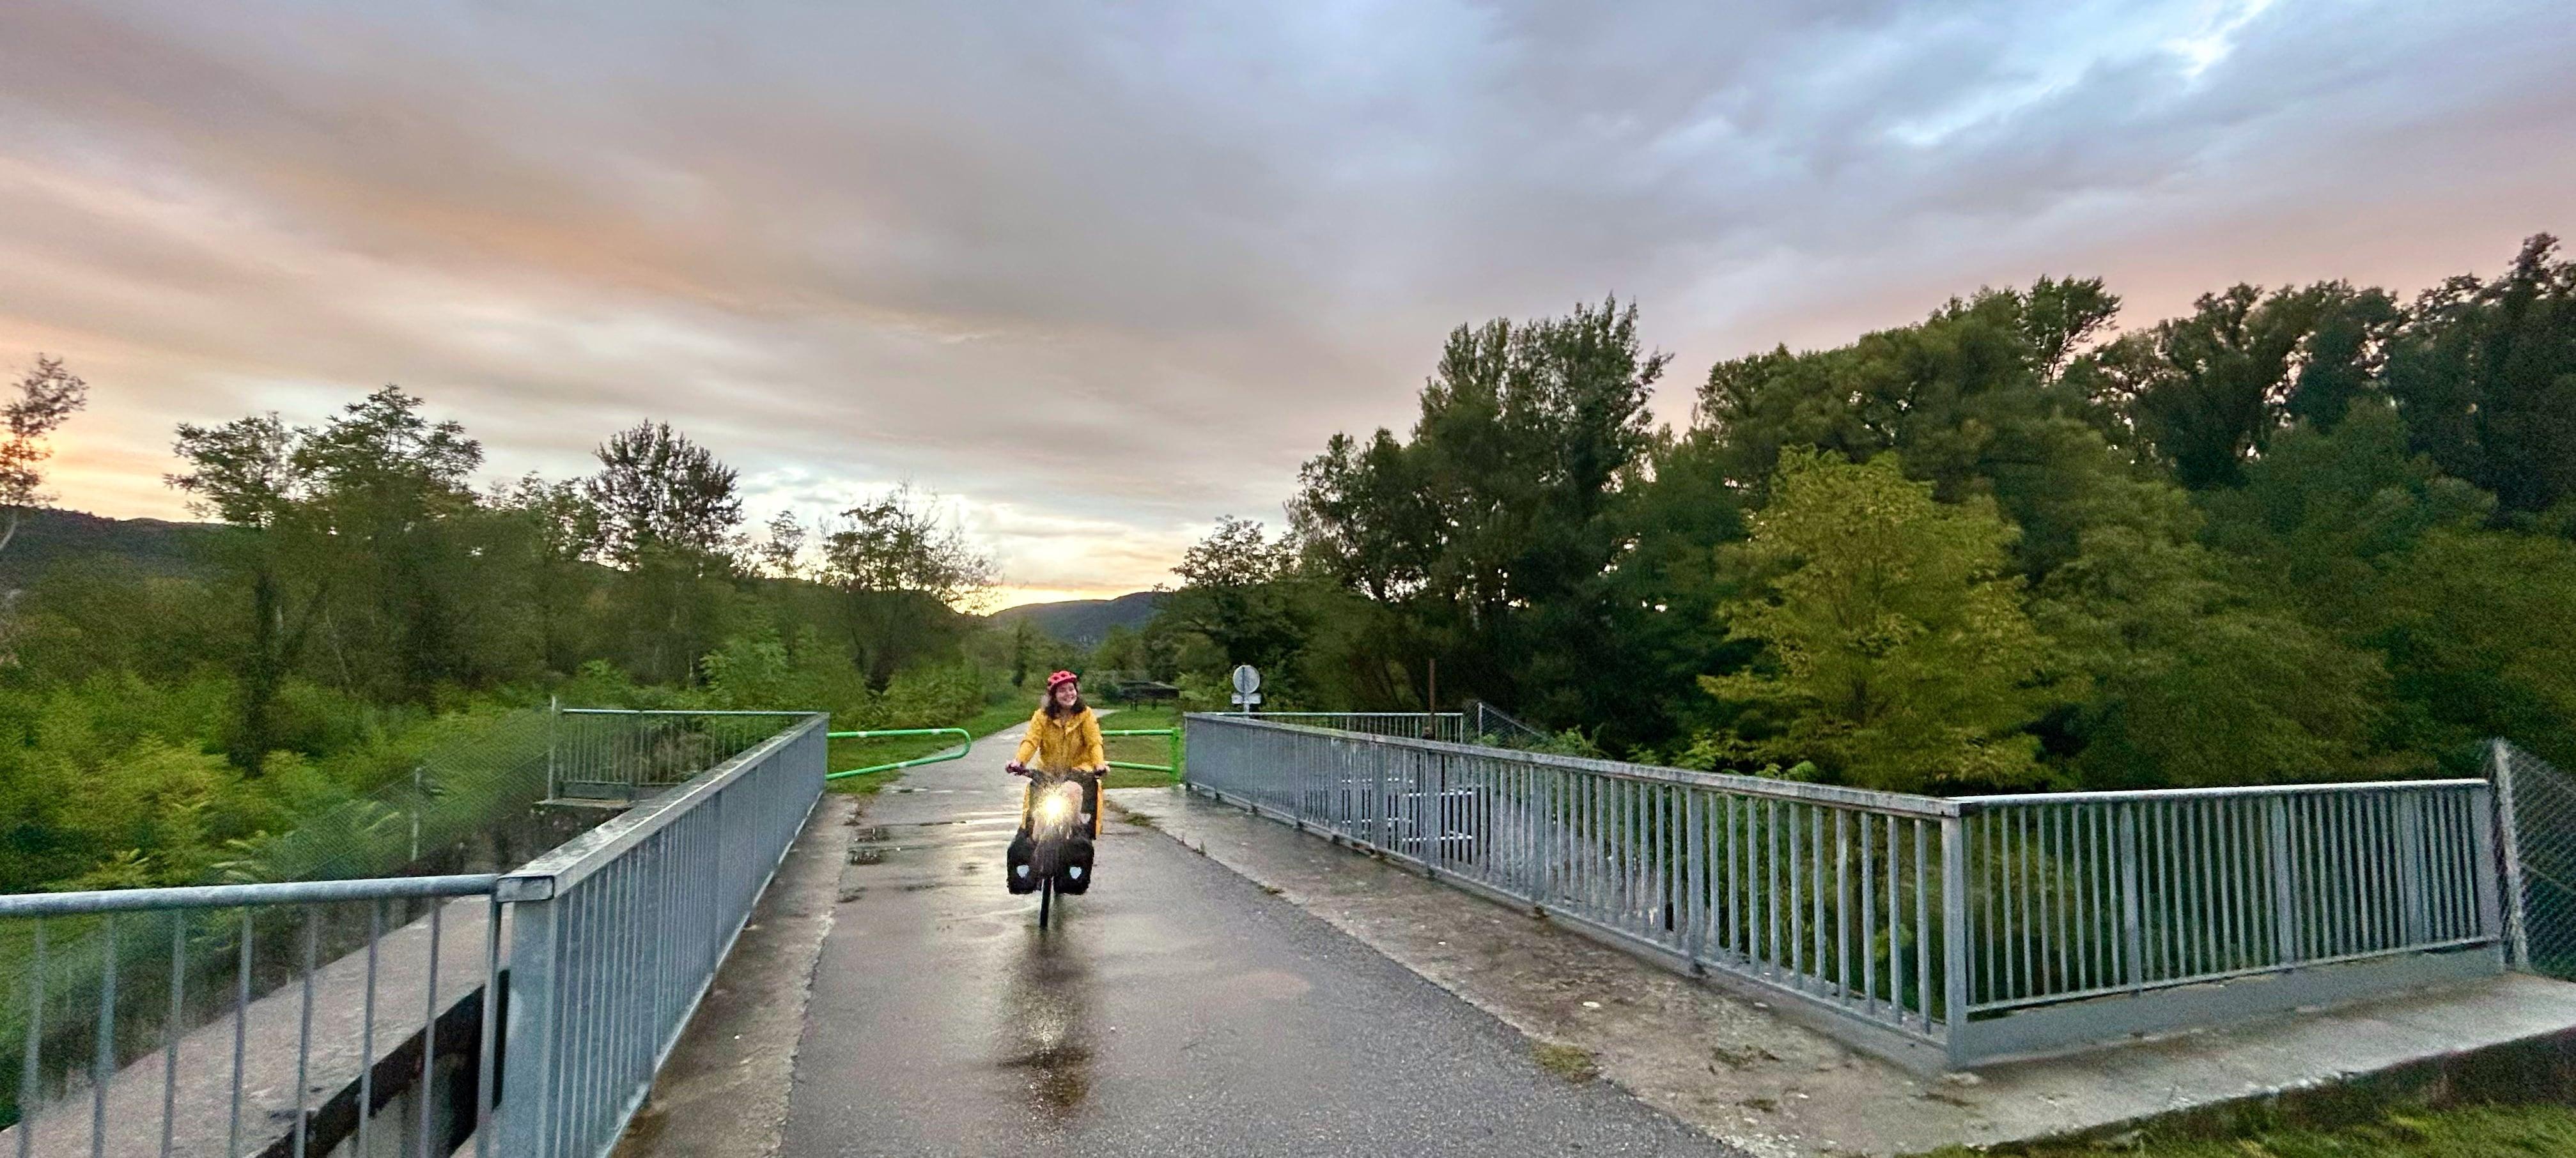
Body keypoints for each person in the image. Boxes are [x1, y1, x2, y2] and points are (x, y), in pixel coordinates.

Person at [1004, 670, 1106, 893]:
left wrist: (1099, 764)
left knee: (1071, 792)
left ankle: (1075, 835)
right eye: (1062, 690)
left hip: (1078, 770)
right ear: (1053, 696)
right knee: (1039, 815)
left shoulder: (1086, 715)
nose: (1068, 694)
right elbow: (1031, 741)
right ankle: (1035, 859)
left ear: (1077, 691)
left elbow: (1094, 743)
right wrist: (1019, 761)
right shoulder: (1042, 716)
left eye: (1072, 689)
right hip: (1049, 772)